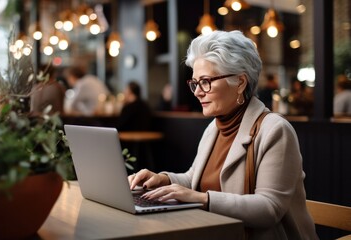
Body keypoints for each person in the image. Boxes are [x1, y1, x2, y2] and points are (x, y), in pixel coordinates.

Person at [128, 30, 318, 240]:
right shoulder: (215, 127)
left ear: (240, 82)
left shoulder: (274, 129)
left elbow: (269, 208)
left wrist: (203, 199)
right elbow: (194, 179)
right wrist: (162, 179)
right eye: (195, 83)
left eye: (206, 81)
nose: (198, 92)